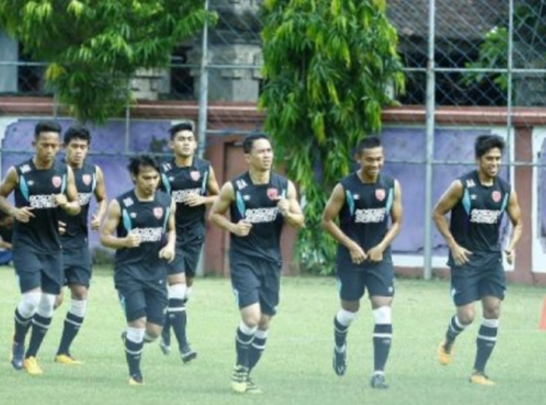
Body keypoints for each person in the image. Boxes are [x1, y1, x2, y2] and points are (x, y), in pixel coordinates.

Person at [210, 133, 304, 394]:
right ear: (248, 157)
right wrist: (233, 226)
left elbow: (300, 221)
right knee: (251, 318)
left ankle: (247, 373)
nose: (267, 155)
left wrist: (288, 212)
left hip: (271, 261)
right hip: (243, 260)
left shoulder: (285, 187)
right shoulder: (234, 188)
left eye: (270, 150)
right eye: (261, 151)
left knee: (264, 322)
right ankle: (240, 368)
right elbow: (214, 214)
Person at [433, 134, 522, 386]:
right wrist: (454, 245)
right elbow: (438, 214)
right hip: (465, 259)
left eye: (497, 159)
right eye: (489, 158)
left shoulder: (505, 190)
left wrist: (512, 246)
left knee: (493, 309)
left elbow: (519, 222)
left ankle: (478, 372)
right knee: (467, 316)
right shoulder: (461, 186)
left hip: (492, 259)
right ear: (478, 160)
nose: (494, 163)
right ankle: (449, 340)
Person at [0, 121, 80, 375]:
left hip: (53, 247)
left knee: (49, 303)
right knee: (31, 299)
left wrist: (67, 204)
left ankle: (32, 356)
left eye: (55, 145)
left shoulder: (65, 172)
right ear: (34, 144)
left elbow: (76, 205)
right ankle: (18, 343)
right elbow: (0, 197)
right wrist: (13, 210)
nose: (50, 150)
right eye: (45, 145)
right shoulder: (19, 172)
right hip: (25, 244)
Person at [321, 136, 403, 389]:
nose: (376, 163)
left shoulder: (391, 185)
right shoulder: (344, 188)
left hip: (379, 258)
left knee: (383, 310)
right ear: (358, 159)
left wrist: (381, 247)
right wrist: (352, 246)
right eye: (370, 159)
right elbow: (327, 221)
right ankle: (339, 343)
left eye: (379, 158)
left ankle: (378, 373)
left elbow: (397, 221)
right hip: (350, 259)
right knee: (349, 312)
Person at [100, 155, 176, 386]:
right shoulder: (120, 204)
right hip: (129, 272)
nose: (151, 182)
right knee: (138, 323)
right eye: (146, 178)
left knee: (153, 331)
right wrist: (124, 242)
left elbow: (171, 230)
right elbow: (104, 236)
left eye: (155, 177)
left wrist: (171, 246)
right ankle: (135, 374)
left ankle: (131, 340)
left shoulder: (166, 202)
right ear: (134, 177)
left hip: (156, 273)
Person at [159, 122, 220, 362]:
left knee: (185, 292)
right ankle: (184, 346)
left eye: (189, 138)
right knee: (177, 288)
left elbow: (218, 196)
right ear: (171, 144)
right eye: (181, 138)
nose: (186, 142)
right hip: (170, 237)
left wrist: (203, 200)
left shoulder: (204, 168)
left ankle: (164, 326)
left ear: (195, 143)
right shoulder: (162, 170)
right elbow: (150, 199)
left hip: (194, 235)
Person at [53, 126, 107, 364]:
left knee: (81, 292)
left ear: (88, 149)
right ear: (65, 147)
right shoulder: (53, 171)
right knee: (53, 300)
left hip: (78, 243)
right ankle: (23, 337)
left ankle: (64, 351)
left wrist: (98, 215)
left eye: (83, 147)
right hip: (52, 243)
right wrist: (52, 222)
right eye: (74, 146)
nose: (78, 151)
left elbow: (103, 198)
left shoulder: (94, 172)